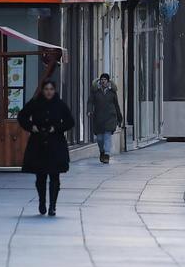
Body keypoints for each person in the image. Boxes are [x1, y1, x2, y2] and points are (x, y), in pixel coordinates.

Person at [18, 79, 75, 216]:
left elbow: (70, 121)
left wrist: (56, 128)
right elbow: (22, 116)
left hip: (55, 144)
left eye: (51, 89)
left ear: (54, 90)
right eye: (46, 89)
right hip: (38, 144)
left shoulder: (60, 104)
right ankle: (42, 201)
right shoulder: (35, 103)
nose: (49, 92)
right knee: (41, 176)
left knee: (55, 176)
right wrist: (32, 127)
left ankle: (53, 206)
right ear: (42, 91)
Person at [87, 72, 122, 164]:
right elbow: (90, 102)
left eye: (105, 80)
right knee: (99, 138)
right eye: (102, 79)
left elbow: (116, 105)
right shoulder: (95, 91)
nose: (103, 81)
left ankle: (106, 154)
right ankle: (102, 151)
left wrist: (119, 117)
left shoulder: (112, 91)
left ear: (108, 81)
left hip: (110, 117)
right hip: (98, 117)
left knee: (107, 136)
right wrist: (89, 110)